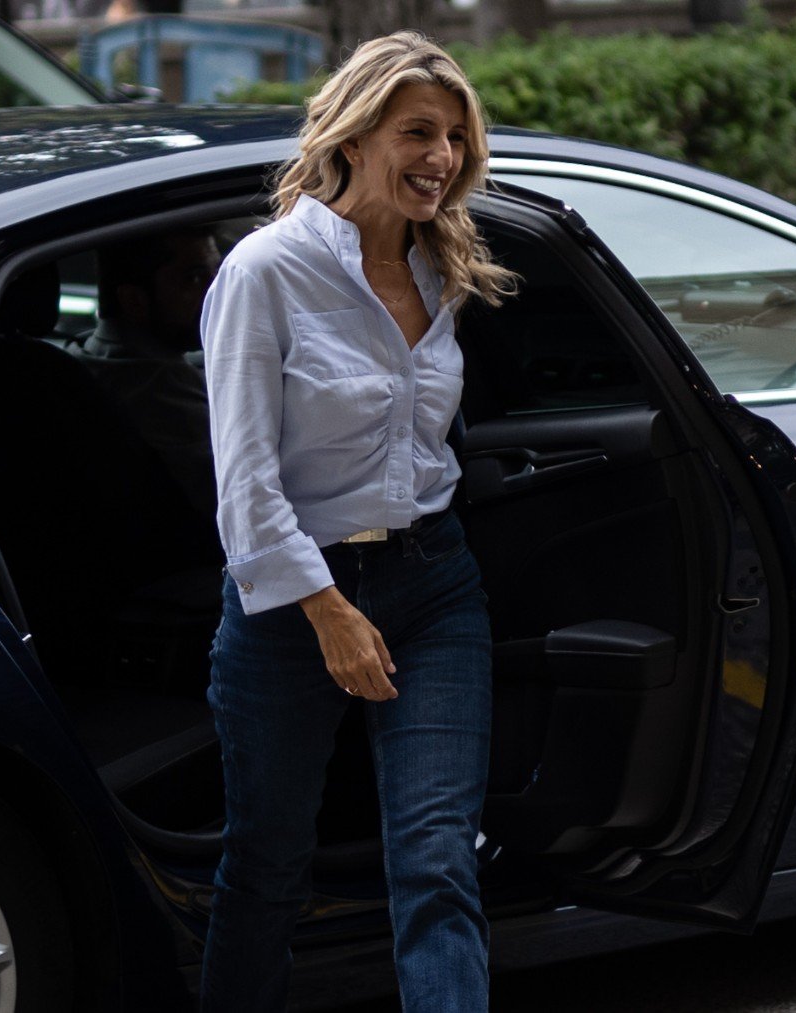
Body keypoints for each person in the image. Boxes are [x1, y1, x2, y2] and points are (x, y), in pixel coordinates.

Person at [196, 31, 516, 1012]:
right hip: (294, 602)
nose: (442, 158)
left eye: (456, 137)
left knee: (436, 862)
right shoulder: (268, 272)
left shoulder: (443, 268)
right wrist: (329, 610)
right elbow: (245, 484)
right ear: (355, 134)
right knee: (265, 864)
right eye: (418, 131)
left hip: (434, 583)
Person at [76, 227, 222, 516]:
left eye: (217, 273)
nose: (216, 291)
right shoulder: (161, 390)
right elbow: (239, 502)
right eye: (194, 278)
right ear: (134, 301)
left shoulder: (81, 357)